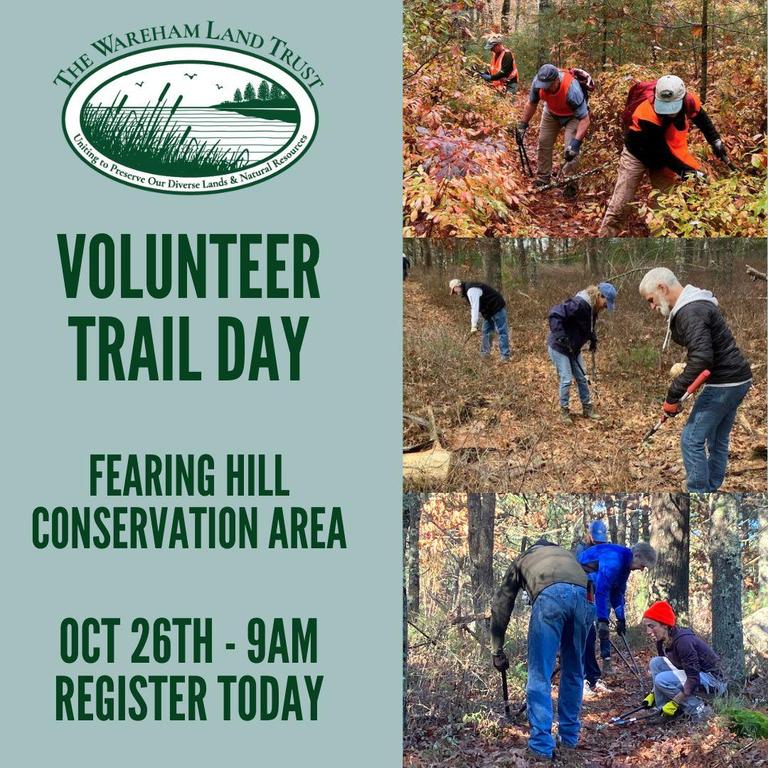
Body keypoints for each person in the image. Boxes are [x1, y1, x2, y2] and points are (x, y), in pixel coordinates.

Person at [638, 267, 752, 492]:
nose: (651, 306)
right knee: (717, 438)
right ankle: (710, 487)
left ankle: (698, 492)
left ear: (662, 288)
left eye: (651, 300)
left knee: (691, 440)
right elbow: (703, 355)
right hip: (739, 379)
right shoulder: (696, 304)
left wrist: (673, 395)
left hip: (725, 384)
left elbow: (701, 359)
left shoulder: (691, 310)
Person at [491, 539, 594, 761]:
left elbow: (501, 605)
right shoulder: (567, 556)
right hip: (585, 599)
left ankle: (540, 746)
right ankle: (569, 740)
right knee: (574, 672)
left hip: (550, 598)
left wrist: (496, 649)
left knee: (540, 674)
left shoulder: (522, 560)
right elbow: (588, 584)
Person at [599, 75, 727, 237]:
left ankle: (657, 245)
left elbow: (701, 118)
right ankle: (605, 240)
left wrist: (715, 140)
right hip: (637, 154)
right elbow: (663, 154)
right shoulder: (646, 114)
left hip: (663, 158)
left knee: (664, 206)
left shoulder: (688, 100)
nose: (669, 113)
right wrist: (690, 173)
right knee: (621, 204)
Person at [578, 541, 658, 697]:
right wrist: (603, 620)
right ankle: (581, 681)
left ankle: (593, 679)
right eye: (642, 565)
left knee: (590, 634)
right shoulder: (615, 559)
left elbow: (617, 593)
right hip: (579, 583)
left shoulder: (625, 566)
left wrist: (621, 619)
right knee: (587, 633)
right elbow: (602, 590)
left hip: (591, 587)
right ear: (637, 555)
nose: (641, 570)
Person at [642, 600, 727, 720]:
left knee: (661, 680)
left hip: (714, 681)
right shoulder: (662, 640)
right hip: (697, 676)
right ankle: (662, 711)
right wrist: (653, 693)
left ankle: (698, 709)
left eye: (652, 626)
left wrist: (675, 702)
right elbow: (675, 669)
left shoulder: (683, 642)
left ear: (665, 625)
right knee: (656, 663)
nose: (648, 632)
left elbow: (693, 678)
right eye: (647, 627)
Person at [515, 64, 591, 195]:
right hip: (551, 112)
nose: (545, 88)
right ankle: (543, 178)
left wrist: (576, 143)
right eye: (543, 85)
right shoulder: (538, 83)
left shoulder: (572, 89)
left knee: (570, 149)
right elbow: (531, 103)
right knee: (544, 142)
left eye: (548, 85)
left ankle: (570, 183)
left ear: (557, 80)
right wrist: (523, 125)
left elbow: (585, 119)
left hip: (573, 116)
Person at [547, 282, 617, 423]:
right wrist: (561, 335)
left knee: (582, 377)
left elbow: (586, 326)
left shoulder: (593, 309)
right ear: (599, 296)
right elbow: (555, 314)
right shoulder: (579, 304)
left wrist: (592, 339)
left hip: (574, 348)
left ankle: (587, 408)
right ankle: (564, 411)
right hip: (559, 346)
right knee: (566, 378)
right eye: (605, 303)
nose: (605, 307)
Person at [449, 278, 510, 362]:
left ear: (458, 286)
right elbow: (478, 307)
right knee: (486, 331)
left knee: (502, 331)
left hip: (497, 306)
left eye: (454, 290)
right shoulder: (467, 292)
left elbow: (475, 307)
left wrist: (473, 325)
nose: (455, 293)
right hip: (489, 311)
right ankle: (485, 355)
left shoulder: (471, 290)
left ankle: (505, 356)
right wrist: (476, 323)